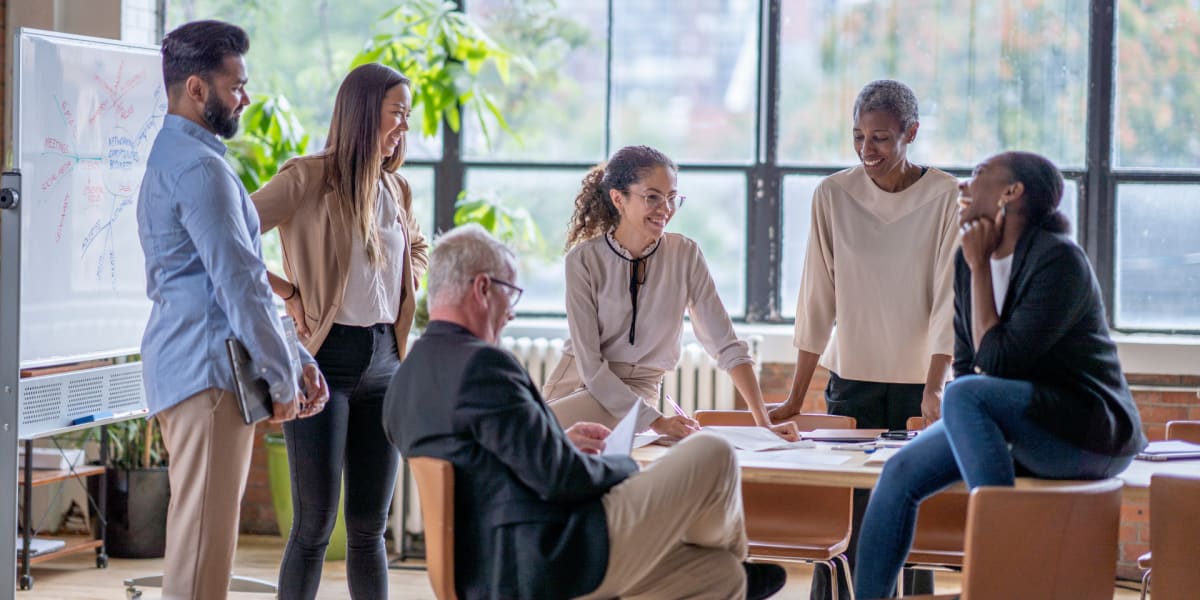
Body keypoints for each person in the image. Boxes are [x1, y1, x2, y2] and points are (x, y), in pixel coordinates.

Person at [383, 224, 787, 600]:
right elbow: (561, 479)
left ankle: (732, 565)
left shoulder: (406, 379)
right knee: (712, 451)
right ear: (483, 288)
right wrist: (624, 465)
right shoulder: (484, 366)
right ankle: (733, 552)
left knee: (720, 576)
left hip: (489, 573)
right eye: (512, 293)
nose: (512, 311)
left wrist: (556, 441)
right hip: (553, 558)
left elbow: (485, 462)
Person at [853, 151, 1148, 599]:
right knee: (898, 473)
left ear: (1012, 192)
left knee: (964, 395)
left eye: (979, 174)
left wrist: (980, 269)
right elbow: (968, 362)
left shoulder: (1059, 260)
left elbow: (997, 364)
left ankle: (1002, 581)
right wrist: (974, 266)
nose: (963, 185)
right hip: (1016, 423)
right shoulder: (965, 261)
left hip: (1088, 433)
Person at [136, 20, 328, 600]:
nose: (244, 98)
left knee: (200, 548)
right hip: (209, 378)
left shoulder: (178, 156)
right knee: (201, 556)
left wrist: (295, 358)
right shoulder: (200, 169)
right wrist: (283, 376)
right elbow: (240, 285)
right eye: (235, 85)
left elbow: (237, 277)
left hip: (196, 369)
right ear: (197, 88)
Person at [768, 80, 960, 599]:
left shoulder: (947, 195)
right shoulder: (833, 194)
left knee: (911, 517)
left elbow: (950, 300)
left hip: (921, 385)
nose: (866, 149)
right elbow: (817, 297)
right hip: (852, 381)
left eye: (880, 138)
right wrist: (796, 395)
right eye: (858, 136)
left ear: (910, 133)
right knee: (851, 516)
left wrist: (936, 386)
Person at [250, 63, 427, 599]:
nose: (404, 125)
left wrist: (407, 281)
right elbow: (231, 232)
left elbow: (417, 247)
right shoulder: (307, 177)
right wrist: (289, 293)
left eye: (407, 115)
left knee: (370, 527)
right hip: (324, 361)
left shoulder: (396, 187)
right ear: (364, 112)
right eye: (397, 112)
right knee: (314, 527)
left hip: (386, 363)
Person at [542, 145, 798, 441]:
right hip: (576, 383)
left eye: (672, 197)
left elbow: (726, 345)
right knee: (523, 441)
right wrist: (658, 422)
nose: (665, 208)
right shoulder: (582, 260)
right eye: (652, 197)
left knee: (526, 440)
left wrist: (764, 424)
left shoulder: (685, 255)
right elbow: (591, 367)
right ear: (618, 199)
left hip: (637, 392)